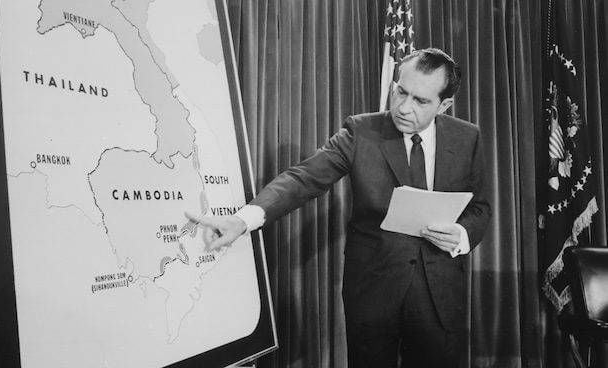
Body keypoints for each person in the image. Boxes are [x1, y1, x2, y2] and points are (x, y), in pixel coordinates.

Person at [187, 48, 490, 367]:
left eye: (421, 101)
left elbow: (480, 208)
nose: (403, 107)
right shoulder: (362, 131)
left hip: (439, 296)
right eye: (400, 91)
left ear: (444, 105)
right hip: (373, 294)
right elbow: (302, 179)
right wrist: (243, 220)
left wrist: (461, 235)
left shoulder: (466, 137)